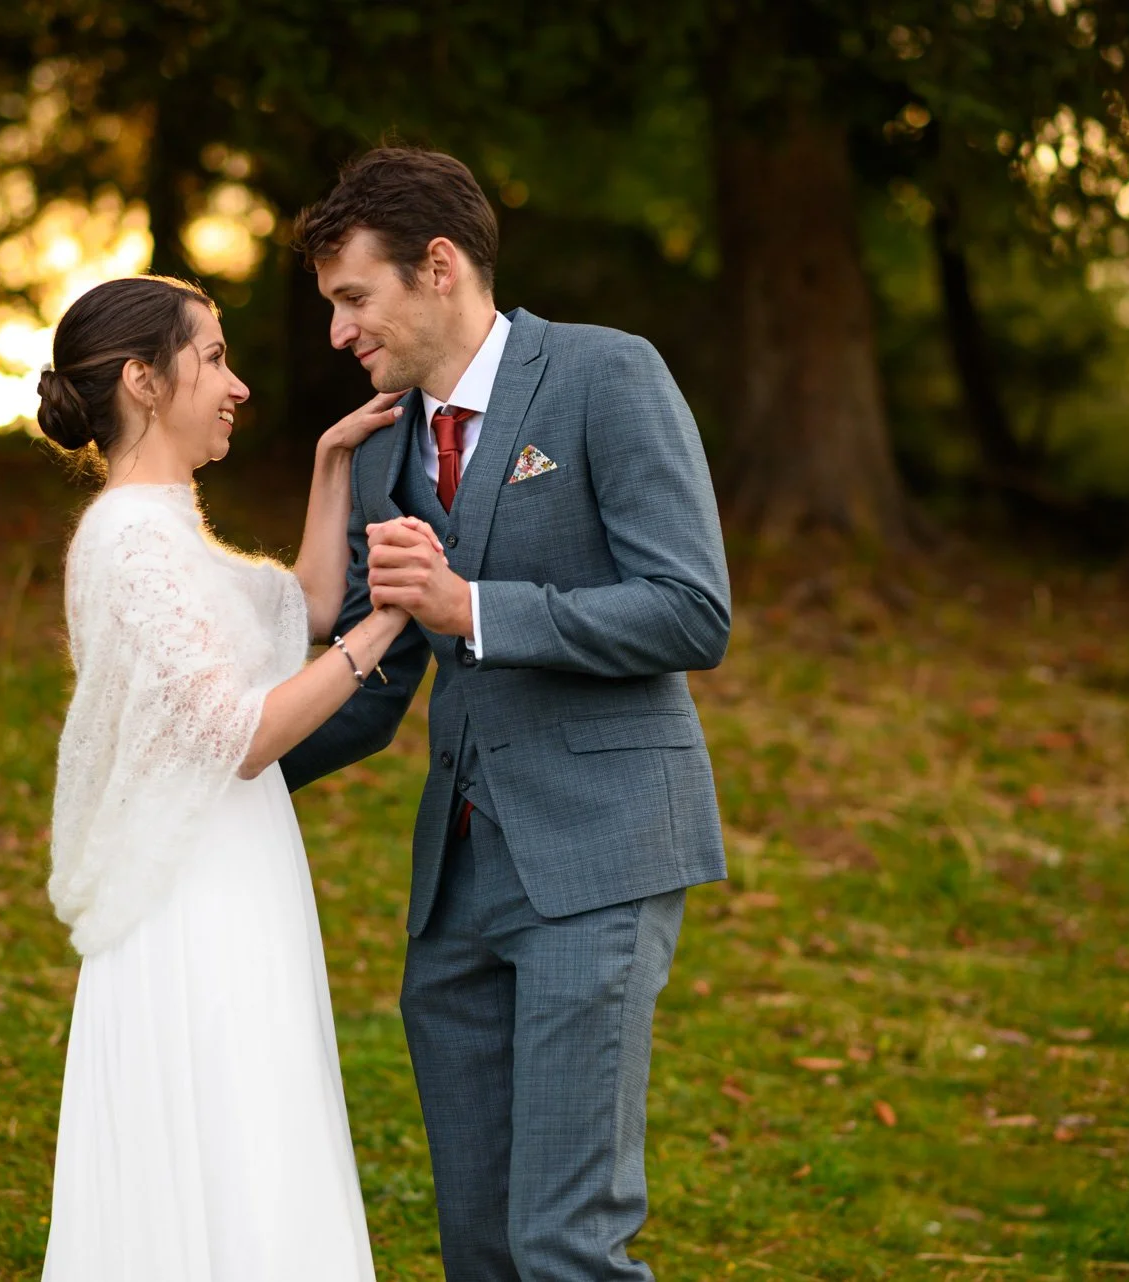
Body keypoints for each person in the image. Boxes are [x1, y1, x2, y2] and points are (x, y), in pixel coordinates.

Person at [282, 147, 733, 1281]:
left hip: (600, 854)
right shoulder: (386, 442)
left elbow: (691, 610)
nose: (338, 332)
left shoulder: (605, 376)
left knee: (565, 1243)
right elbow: (380, 678)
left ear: (438, 266)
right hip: (457, 889)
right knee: (478, 1244)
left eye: (353, 298)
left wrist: (474, 607)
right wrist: (226, 771)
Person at [34, 274, 423, 1280]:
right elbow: (237, 734)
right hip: (193, 904)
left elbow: (299, 605)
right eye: (212, 357)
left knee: (258, 1135)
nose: (238, 384)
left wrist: (333, 462)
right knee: (230, 1141)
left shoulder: (165, 529)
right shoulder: (127, 541)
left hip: (236, 883)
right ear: (144, 380)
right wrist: (385, 632)